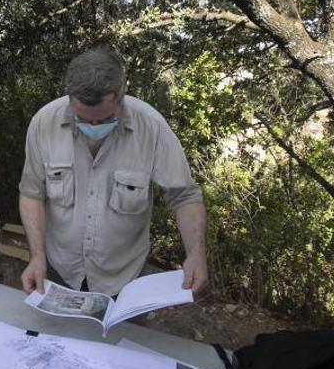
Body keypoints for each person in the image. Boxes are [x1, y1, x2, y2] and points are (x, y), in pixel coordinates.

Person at [19, 48, 208, 298]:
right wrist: (36, 256)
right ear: (70, 98)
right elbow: (32, 193)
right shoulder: (44, 124)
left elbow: (184, 197)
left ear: (123, 93)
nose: (93, 127)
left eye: (106, 118)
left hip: (125, 280)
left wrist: (196, 253)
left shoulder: (152, 128)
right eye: (83, 119)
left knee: (119, 338)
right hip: (59, 270)